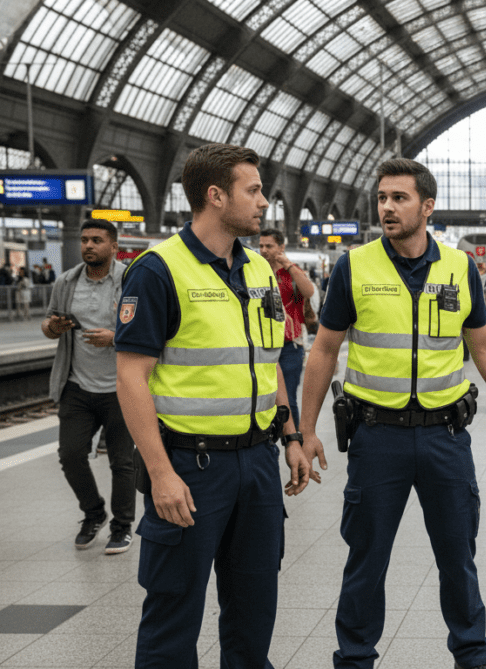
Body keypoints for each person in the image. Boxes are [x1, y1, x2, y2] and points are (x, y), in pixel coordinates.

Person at [297, 158, 486, 669]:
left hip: (445, 436)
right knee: (366, 561)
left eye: (400, 198)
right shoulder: (354, 266)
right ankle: (354, 660)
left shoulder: (459, 267)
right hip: (376, 437)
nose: (387, 208)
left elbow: (483, 345)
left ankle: (472, 658)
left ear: (427, 206)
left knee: (458, 559)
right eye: (382, 198)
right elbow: (324, 350)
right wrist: (306, 430)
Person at [115, 143, 314, 667]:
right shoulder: (158, 270)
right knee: (174, 611)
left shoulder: (259, 270)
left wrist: (291, 436)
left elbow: (269, 360)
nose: (264, 202)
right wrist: (160, 473)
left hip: (258, 464)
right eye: (254, 190)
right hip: (190, 466)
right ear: (215, 195)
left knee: (254, 608)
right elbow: (131, 377)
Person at [42, 219, 135, 554]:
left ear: (114, 246)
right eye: (84, 240)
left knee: (122, 461)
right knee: (70, 455)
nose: (88, 246)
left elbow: (152, 328)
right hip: (77, 386)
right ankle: (94, 512)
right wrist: (54, 327)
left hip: (122, 386)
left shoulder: (131, 279)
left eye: (97, 240)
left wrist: (115, 337)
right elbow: (48, 324)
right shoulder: (67, 281)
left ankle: (122, 526)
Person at [257, 228, 315, 428]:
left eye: (269, 246)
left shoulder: (291, 271)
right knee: (264, 399)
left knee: (288, 399)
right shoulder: (255, 270)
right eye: (261, 246)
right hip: (262, 345)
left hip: (290, 346)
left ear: (281, 247)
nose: (264, 250)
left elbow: (309, 291)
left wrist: (288, 265)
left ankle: (294, 440)